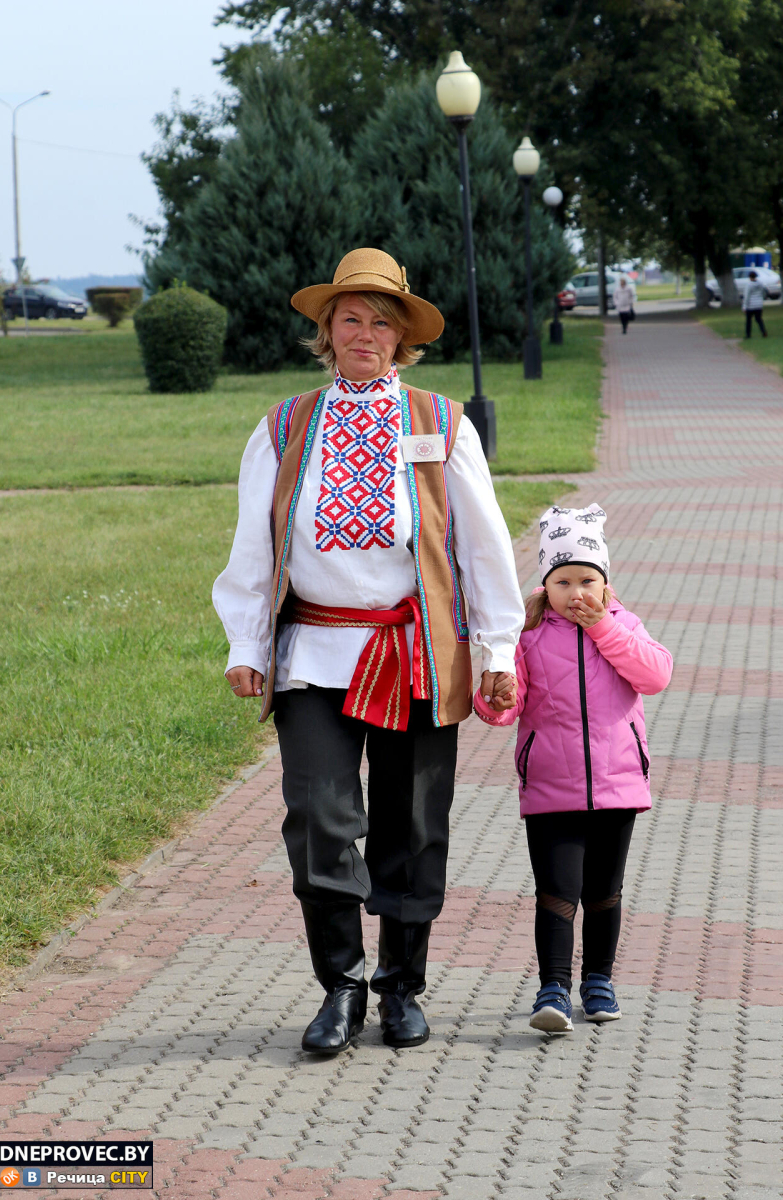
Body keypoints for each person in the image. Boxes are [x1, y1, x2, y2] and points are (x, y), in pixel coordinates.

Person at [213, 247, 524, 1055]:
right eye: (350, 318)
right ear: (327, 330)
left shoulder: (440, 424)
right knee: (320, 816)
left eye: (381, 320)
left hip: (415, 649)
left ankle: (401, 990)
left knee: (413, 823)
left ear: (401, 337)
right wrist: (246, 642)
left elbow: (485, 546)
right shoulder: (283, 427)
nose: (365, 332)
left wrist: (497, 650)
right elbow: (254, 543)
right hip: (314, 650)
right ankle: (341, 988)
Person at [473, 503, 672, 1033]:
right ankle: (554, 989)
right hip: (551, 788)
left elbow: (655, 675)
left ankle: (599, 981)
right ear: (546, 587)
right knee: (557, 893)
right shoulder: (530, 635)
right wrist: (495, 699)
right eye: (563, 582)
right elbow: (506, 706)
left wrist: (606, 629)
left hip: (618, 786)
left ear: (605, 585)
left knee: (605, 892)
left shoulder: (623, 625)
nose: (576, 592)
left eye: (588, 580)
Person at [743, 270, 767, 339]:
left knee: (748, 320)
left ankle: (748, 334)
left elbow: (747, 296)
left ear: (750, 277)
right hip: (759, 305)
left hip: (750, 305)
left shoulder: (749, 285)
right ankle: (763, 332)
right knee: (759, 319)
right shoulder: (760, 284)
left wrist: (744, 306)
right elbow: (764, 292)